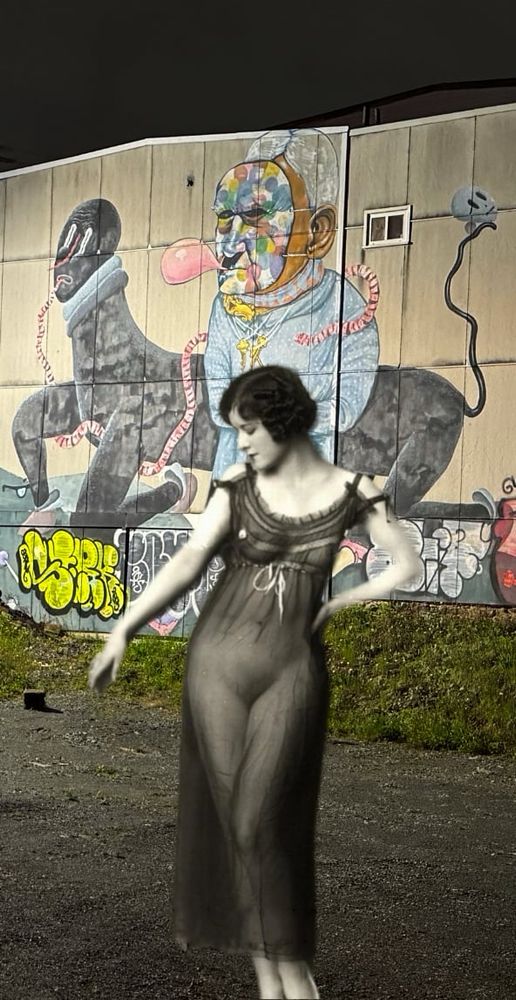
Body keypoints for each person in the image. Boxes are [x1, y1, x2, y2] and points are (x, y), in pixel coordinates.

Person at [89, 365, 418, 1000]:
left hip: (291, 670)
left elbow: (403, 561)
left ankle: (294, 974)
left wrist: (351, 600)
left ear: (283, 422)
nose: (239, 442)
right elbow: (189, 558)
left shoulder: (355, 489)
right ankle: (273, 983)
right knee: (241, 829)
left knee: (261, 822)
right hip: (216, 667)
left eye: (248, 428)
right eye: (236, 430)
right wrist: (123, 627)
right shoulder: (237, 487)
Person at [203, 128, 380, 478]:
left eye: (255, 215)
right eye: (225, 217)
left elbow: (344, 410)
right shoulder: (225, 307)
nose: (233, 239)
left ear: (319, 231)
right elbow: (217, 402)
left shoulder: (344, 307)